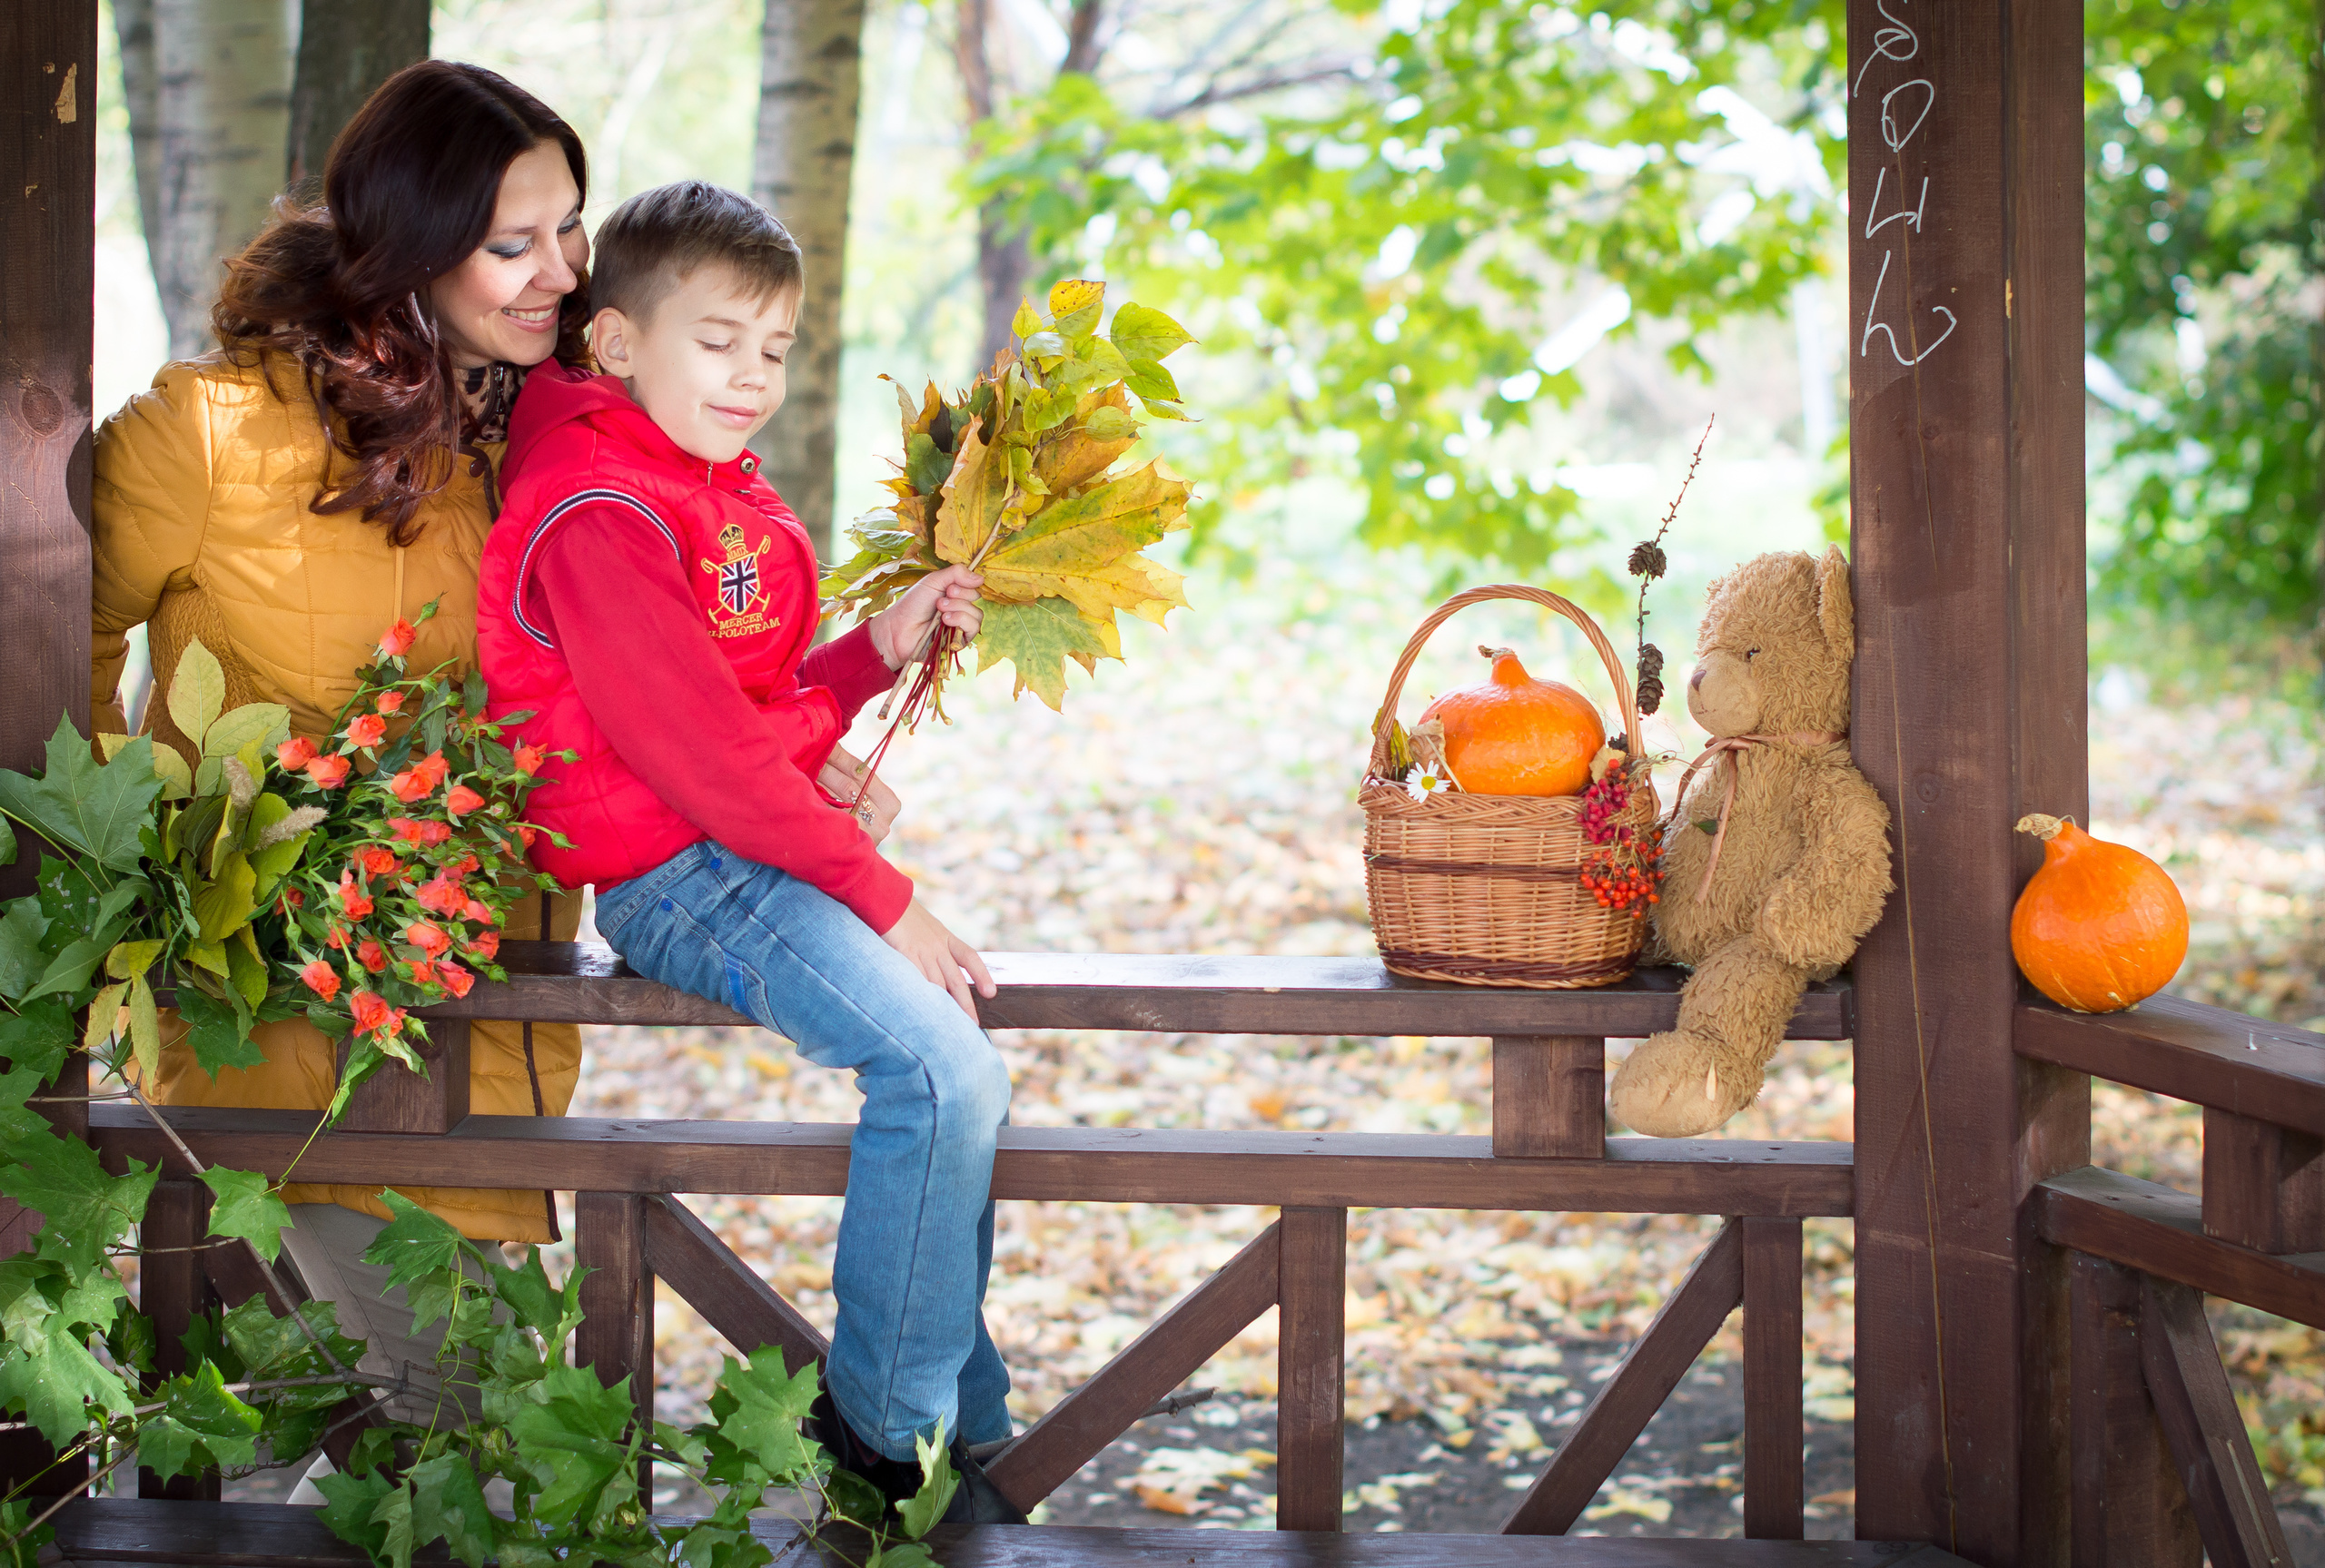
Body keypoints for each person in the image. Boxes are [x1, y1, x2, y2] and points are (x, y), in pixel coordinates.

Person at [475, 181, 1016, 1521]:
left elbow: (749, 715)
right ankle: (890, 1454)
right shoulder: (597, 504)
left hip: (733, 845)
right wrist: (888, 902)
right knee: (943, 1072)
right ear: (612, 343)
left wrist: (874, 651)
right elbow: (700, 758)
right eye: (716, 340)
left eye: (773, 349)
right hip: (676, 873)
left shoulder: (703, 484)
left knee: (963, 1071)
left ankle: (972, 1426)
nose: (752, 376)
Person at [89, 62, 593, 1447]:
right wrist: (152, 885)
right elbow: (44, 662)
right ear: (414, 250)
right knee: (474, 1449)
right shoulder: (211, 433)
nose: (560, 272)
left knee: (422, 1464)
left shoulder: (540, 441)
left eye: (570, 228)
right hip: (289, 1040)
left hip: (489, 1032)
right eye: (513, 244)